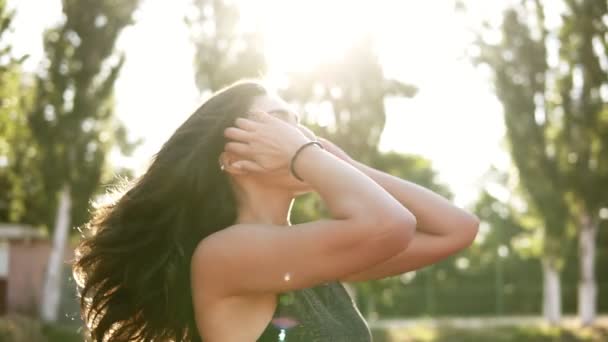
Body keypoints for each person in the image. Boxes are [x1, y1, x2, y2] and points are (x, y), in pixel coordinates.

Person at [72, 80, 479, 341]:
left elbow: (457, 229)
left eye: (299, 126)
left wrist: (340, 162)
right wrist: (306, 154)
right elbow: (392, 224)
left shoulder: (308, 255)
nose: (298, 135)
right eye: (278, 124)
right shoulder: (225, 254)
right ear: (230, 159)